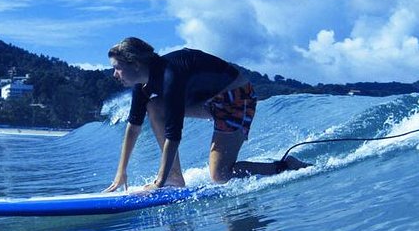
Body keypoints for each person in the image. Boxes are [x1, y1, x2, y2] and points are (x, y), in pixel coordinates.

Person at [104, 37, 310, 192]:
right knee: (154, 106)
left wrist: (158, 183)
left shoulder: (170, 76)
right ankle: (174, 177)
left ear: (136, 64)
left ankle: (286, 166)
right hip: (207, 102)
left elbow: (173, 135)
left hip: (236, 98)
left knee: (220, 175)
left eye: (117, 68)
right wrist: (121, 173)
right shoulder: (143, 83)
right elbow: (133, 127)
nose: (114, 75)